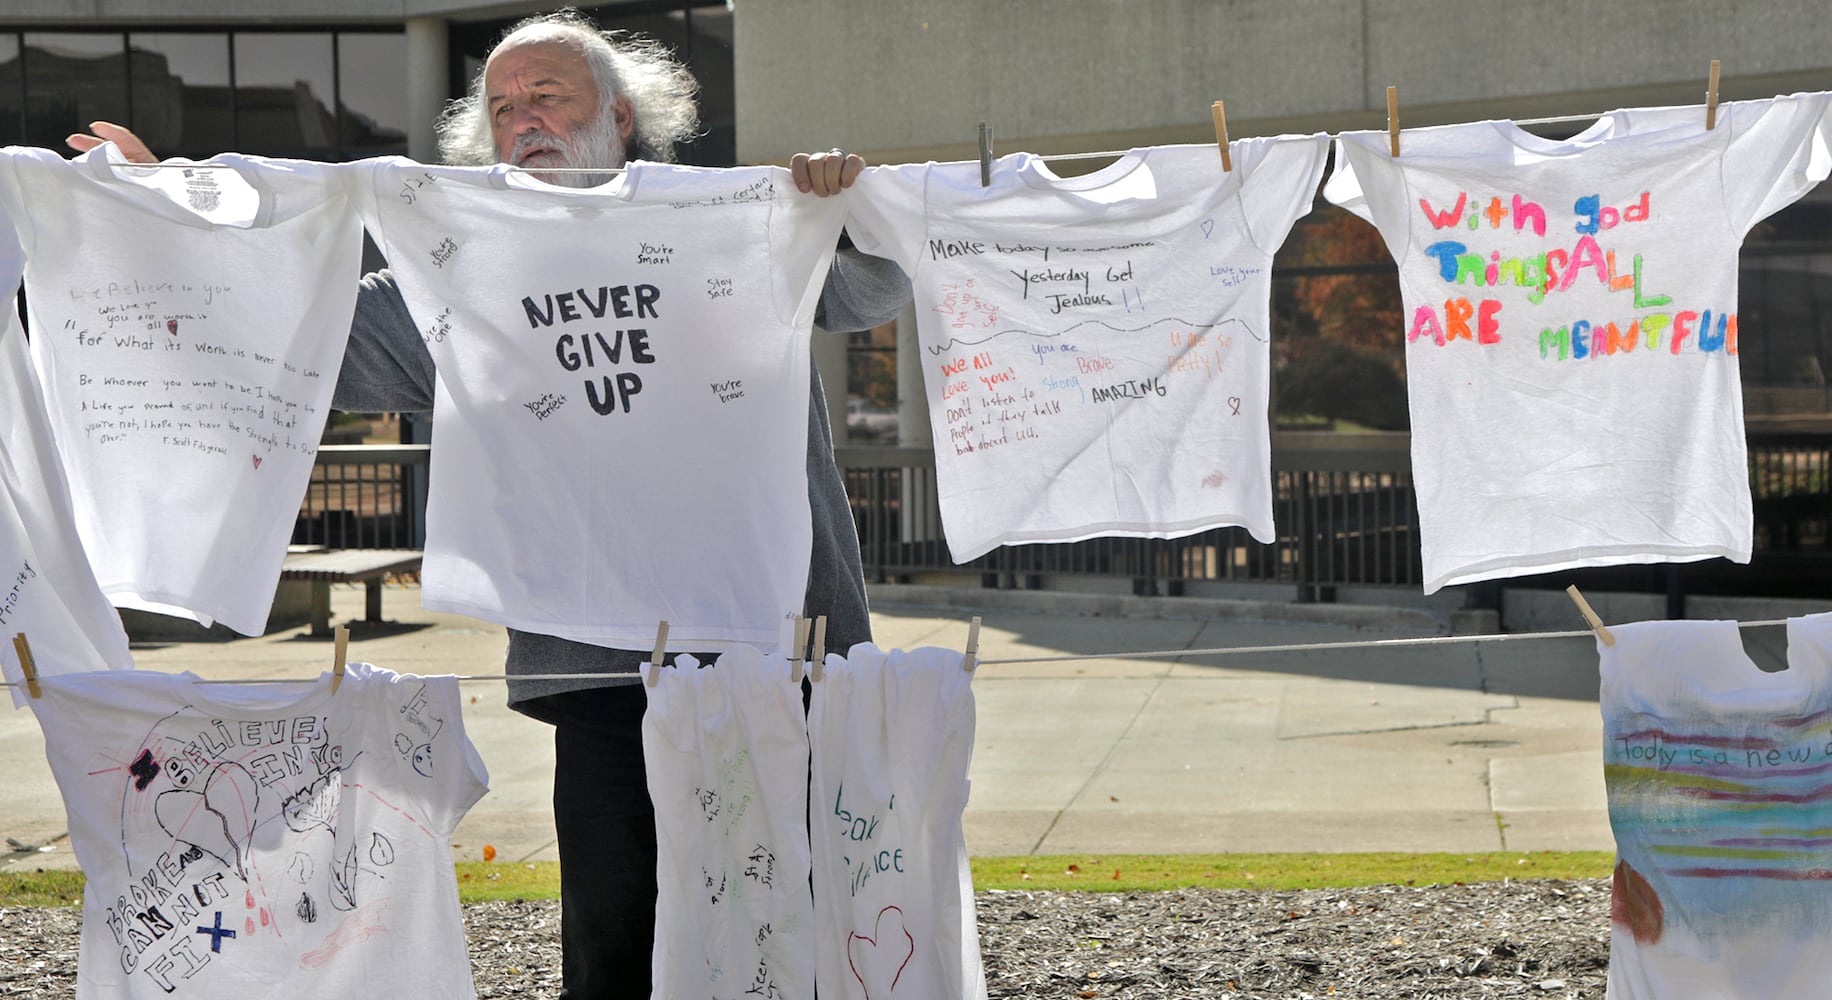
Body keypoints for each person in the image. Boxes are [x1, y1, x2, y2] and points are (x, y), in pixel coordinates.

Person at [71, 9, 909, 998]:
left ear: (621, 116)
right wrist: (156, 209)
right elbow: (295, 338)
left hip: (782, 652)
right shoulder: (466, 272)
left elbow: (876, 288)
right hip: (598, 664)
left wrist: (844, 205)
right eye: (502, 107)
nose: (524, 121)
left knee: (801, 933)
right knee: (616, 940)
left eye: (548, 95)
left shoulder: (727, 220)